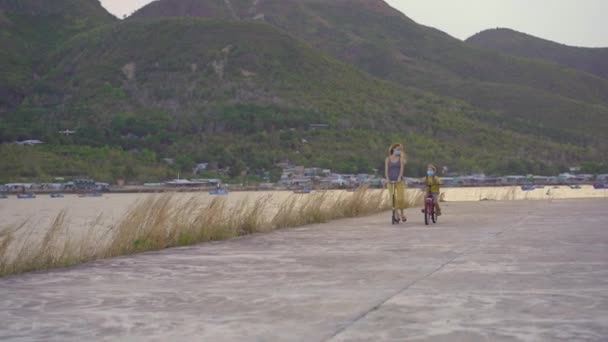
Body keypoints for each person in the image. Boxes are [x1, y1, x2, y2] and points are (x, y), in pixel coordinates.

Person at [385, 143, 407, 222]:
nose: (398, 151)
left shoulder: (401, 158)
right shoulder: (388, 159)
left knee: (401, 198)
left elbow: (401, 169)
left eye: (400, 150)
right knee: (392, 198)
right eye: (397, 149)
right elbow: (386, 170)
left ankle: (402, 213)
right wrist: (387, 178)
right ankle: (396, 214)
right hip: (390, 181)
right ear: (393, 149)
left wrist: (399, 177)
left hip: (399, 180)